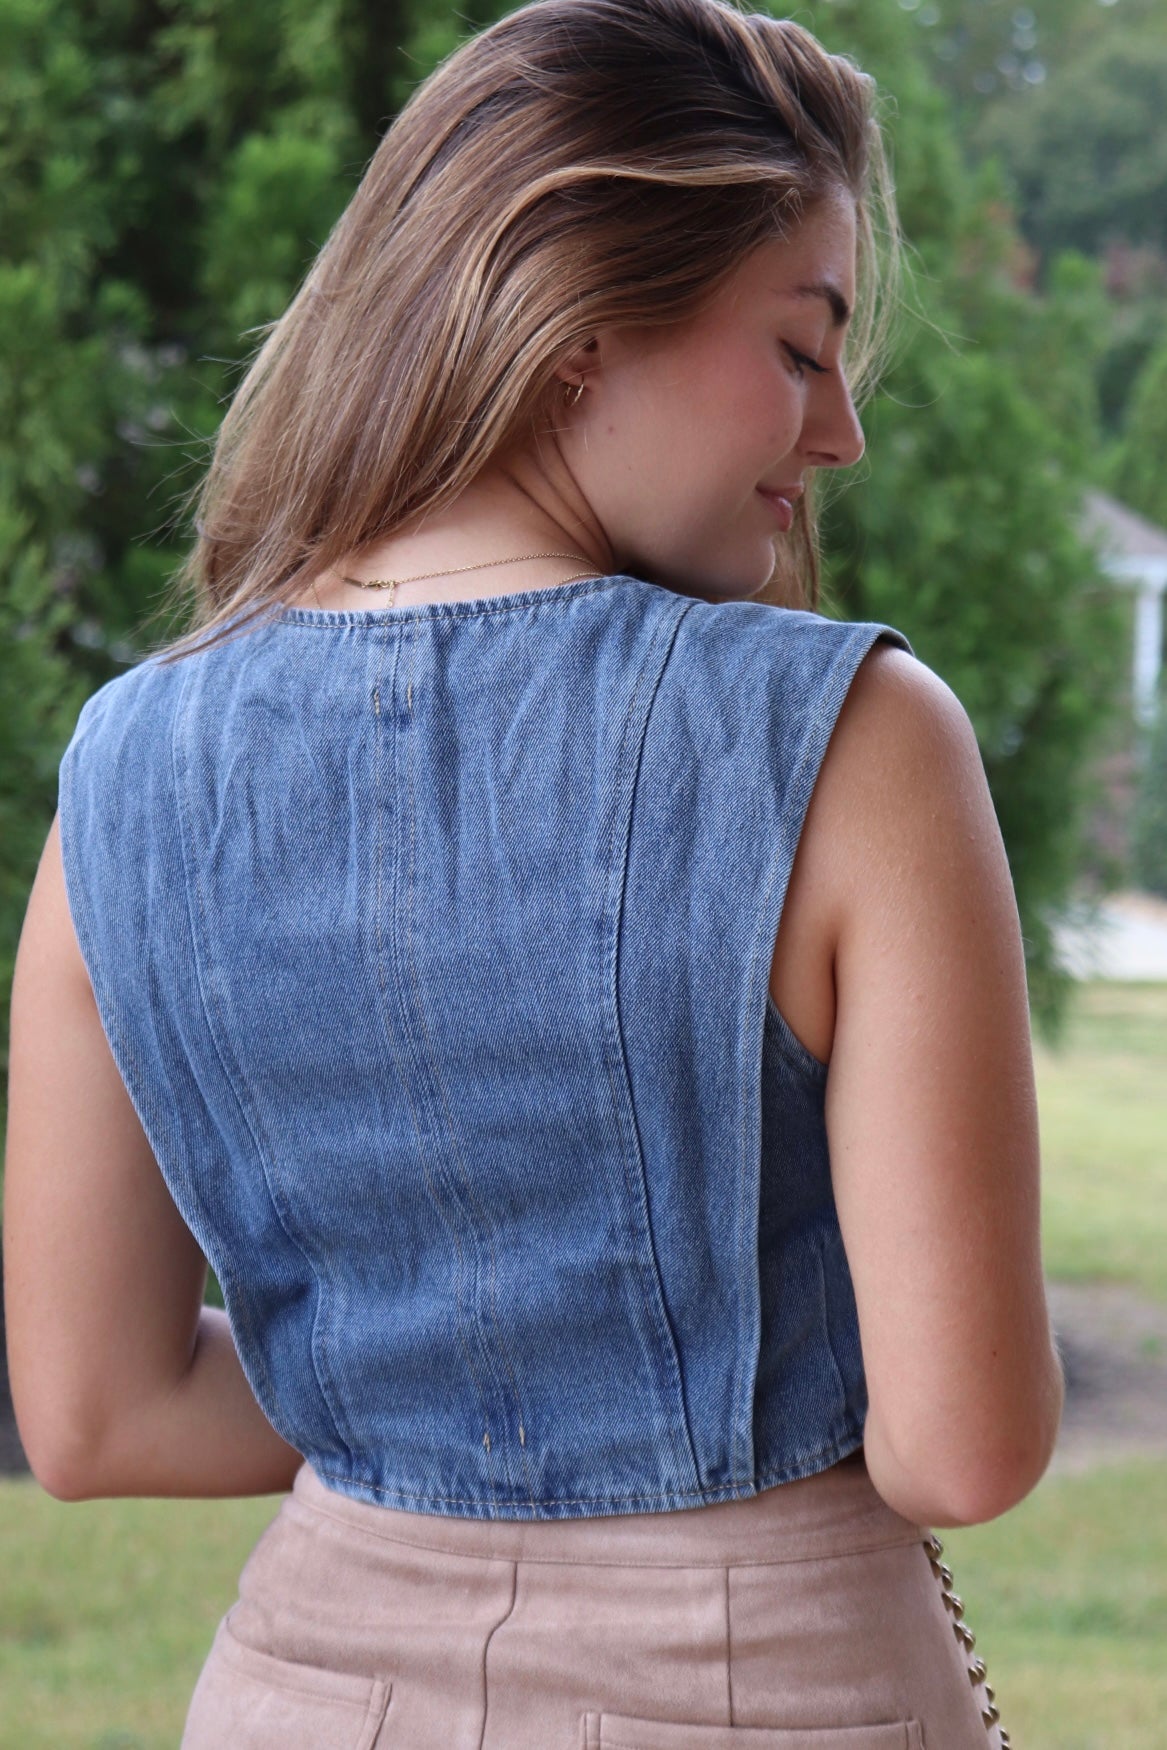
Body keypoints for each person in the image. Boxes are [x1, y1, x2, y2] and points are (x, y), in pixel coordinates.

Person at [4, 0, 1064, 1743]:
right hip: (775, 1685)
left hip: (300, 1690)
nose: (839, 438)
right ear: (575, 329)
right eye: (802, 349)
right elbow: (962, 1446)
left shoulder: (126, 763)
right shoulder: (849, 736)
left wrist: (420, 1389)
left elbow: (96, 1416)